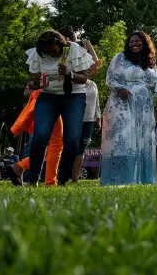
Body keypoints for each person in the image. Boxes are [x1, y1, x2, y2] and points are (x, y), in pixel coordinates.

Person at [24, 30, 94, 186]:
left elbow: (84, 78)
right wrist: (35, 83)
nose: (50, 54)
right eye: (46, 52)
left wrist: (70, 74)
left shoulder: (74, 50)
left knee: (72, 139)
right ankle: (33, 178)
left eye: (53, 51)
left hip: (74, 96)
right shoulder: (38, 53)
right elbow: (31, 83)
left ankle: (62, 178)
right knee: (40, 136)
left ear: (60, 44)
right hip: (48, 96)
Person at [100, 31, 157, 186]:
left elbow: (155, 84)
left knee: (142, 141)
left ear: (145, 43)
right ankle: (119, 179)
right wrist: (120, 88)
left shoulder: (150, 62)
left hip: (144, 107)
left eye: (138, 41)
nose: (134, 44)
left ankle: (141, 179)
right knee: (123, 140)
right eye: (131, 42)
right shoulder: (121, 57)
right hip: (123, 104)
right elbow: (110, 78)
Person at [7, 83, 64, 187]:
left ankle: (20, 167)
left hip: (49, 100)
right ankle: (50, 182)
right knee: (55, 143)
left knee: (53, 145)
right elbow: (28, 90)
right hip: (51, 100)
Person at [71, 80, 100, 182]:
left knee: (82, 148)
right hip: (75, 119)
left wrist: (98, 118)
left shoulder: (93, 84)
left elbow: (96, 102)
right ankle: (63, 175)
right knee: (72, 146)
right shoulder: (75, 82)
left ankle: (75, 178)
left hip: (89, 120)